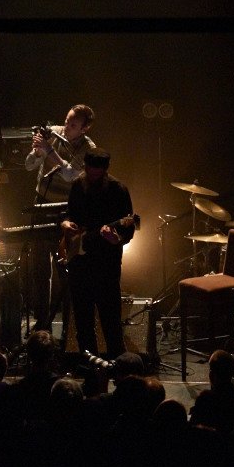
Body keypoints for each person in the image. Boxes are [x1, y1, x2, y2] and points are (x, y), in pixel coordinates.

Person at [21, 104, 98, 333]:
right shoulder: (54, 134)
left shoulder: (88, 148)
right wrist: (37, 152)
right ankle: (41, 323)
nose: (66, 127)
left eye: (73, 125)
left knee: (66, 269)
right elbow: (28, 166)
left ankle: (68, 327)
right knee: (39, 267)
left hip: (68, 210)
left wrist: (49, 152)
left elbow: (70, 175)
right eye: (66, 121)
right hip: (42, 203)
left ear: (84, 128)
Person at [60, 148, 134, 359]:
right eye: (89, 171)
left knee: (111, 321)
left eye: (96, 173)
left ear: (105, 170)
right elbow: (69, 213)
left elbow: (128, 227)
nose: (91, 176)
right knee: (83, 321)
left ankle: (117, 365)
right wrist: (65, 224)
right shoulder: (78, 185)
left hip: (106, 263)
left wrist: (117, 238)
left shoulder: (118, 190)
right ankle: (89, 365)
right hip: (79, 262)